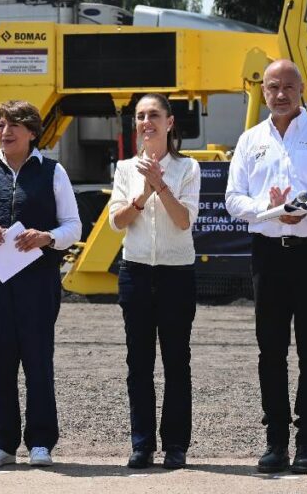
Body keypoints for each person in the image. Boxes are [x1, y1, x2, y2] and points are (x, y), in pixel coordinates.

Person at [225, 59, 307, 475]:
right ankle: (276, 440)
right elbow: (234, 200)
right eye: (273, 87)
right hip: (268, 254)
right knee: (271, 350)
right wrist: (270, 209)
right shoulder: (249, 141)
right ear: (263, 92)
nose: (280, 94)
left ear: (302, 91)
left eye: (288, 87)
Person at [0, 100, 80, 468]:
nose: (5, 132)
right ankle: (2, 442)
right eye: (1, 125)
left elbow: (73, 227)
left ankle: (41, 442)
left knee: (38, 358)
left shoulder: (53, 173)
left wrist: (47, 237)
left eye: (13, 125)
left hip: (38, 281)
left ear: (32, 132)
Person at [108, 94, 201, 470]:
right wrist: (143, 193)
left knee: (177, 361)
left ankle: (176, 445)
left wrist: (161, 186)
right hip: (136, 272)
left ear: (170, 122)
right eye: (141, 116)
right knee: (139, 363)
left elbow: (183, 221)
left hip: (176, 272)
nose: (147, 122)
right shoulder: (125, 168)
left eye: (154, 115)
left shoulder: (188, 168)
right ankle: (142, 444)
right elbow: (118, 221)